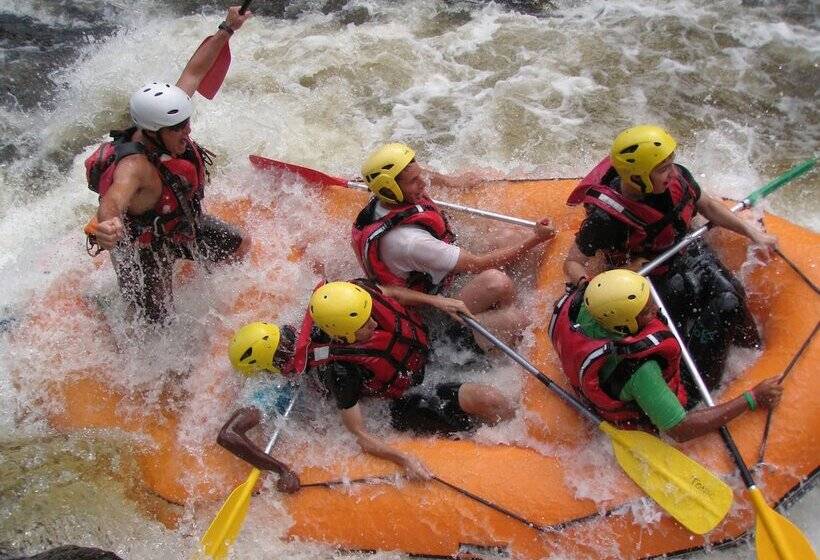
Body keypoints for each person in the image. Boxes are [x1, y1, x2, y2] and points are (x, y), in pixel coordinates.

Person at [219, 280, 515, 483]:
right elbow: (359, 433)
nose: (373, 323)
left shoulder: (349, 300)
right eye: (364, 324)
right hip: (403, 396)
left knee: (514, 320)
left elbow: (391, 294)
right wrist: (403, 459)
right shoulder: (336, 372)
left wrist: (438, 301)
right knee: (489, 400)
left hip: (421, 354)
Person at [562, 125, 778, 387]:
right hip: (648, 274)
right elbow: (572, 263)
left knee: (732, 298)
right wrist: (621, 274)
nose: (673, 173)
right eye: (664, 168)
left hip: (686, 251)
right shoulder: (606, 220)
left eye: (671, 164)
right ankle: (696, 391)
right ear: (640, 176)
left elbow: (707, 206)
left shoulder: (678, 179)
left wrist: (753, 233)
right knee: (684, 325)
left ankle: (755, 352)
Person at [83, 6, 253, 324]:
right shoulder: (133, 166)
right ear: (152, 133)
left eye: (186, 123)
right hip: (142, 247)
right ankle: (107, 312)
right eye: (178, 129)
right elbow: (113, 201)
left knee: (239, 245)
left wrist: (227, 29)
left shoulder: (164, 119)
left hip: (180, 225)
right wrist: (107, 226)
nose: (186, 133)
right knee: (155, 322)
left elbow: (194, 73)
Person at [352, 143, 556, 350]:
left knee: (508, 237)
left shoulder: (385, 195)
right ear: (390, 188)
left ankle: (504, 310)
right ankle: (506, 327)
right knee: (499, 284)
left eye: (419, 175)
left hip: (432, 273)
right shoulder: (409, 242)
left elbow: (418, 174)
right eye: (414, 181)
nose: (423, 183)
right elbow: (479, 264)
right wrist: (536, 239)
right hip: (431, 308)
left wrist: (452, 181)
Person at [549, 269, 782, 441]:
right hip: (661, 389)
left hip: (607, 370)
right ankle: (755, 348)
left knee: (677, 284)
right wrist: (752, 398)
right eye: (647, 311)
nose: (656, 308)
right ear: (624, 326)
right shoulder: (642, 372)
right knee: (728, 304)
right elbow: (680, 429)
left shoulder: (586, 308)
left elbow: (576, 270)